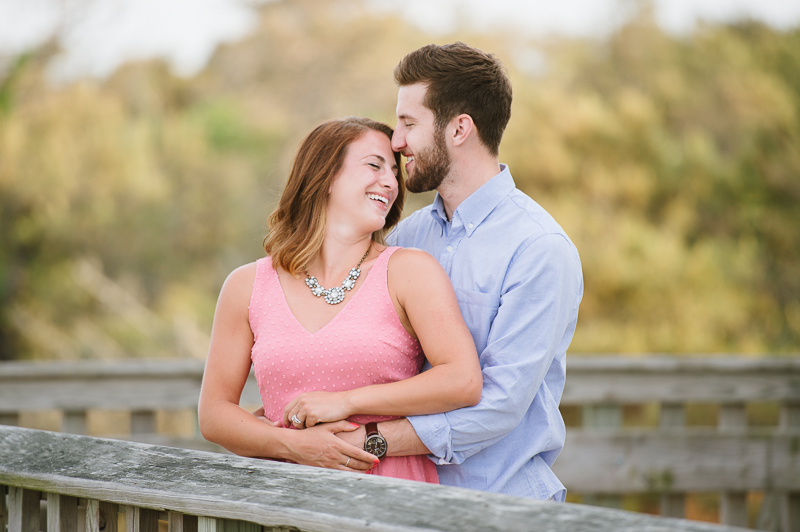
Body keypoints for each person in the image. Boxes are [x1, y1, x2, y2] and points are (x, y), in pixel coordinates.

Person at [333, 43, 584, 501]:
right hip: (403, 502)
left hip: (504, 507)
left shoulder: (540, 250)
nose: (396, 141)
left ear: (460, 129)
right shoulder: (404, 239)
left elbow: (499, 406)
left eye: (409, 123)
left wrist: (369, 440)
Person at [198, 116, 482, 482]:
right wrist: (291, 444)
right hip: (282, 497)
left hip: (391, 494)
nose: (391, 182)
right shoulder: (246, 285)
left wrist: (347, 401)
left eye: (393, 172)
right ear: (326, 175)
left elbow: (462, 380)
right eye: (373, 165)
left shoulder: (409, 271)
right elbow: (214, 414)